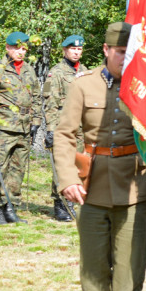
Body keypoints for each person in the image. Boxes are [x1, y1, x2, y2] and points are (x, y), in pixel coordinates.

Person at [53, 22, 146, 291]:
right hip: (92, 185)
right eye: (121, 52)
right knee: (94, 262)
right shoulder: (83, 85)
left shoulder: (145, 86)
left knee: (130, 262)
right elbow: (64, 134)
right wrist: (67, 177)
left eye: (131, 52)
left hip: (134, 185)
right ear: (107, 50)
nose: (126, 58)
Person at [0, 32, 41, 225]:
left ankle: (11, 208)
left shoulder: (29, 71)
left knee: (18, 169)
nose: (20, 52)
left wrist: (36, 122)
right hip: (3, 127)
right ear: (7, 48)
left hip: (24, 127)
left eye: (23, 48)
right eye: (16, 48)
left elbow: (37, 97)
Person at [43, 35, 87, 221]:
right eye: (72, 49)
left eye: (79, 49)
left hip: (82, 128)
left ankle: (74, 200)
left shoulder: (85, 72)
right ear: (64, 50)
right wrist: (51, 129)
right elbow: (50, 103)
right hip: (64, 127)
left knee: (81, 164)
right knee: (63, 164)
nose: (76, 52)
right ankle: (60, 203)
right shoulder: (56, 73)